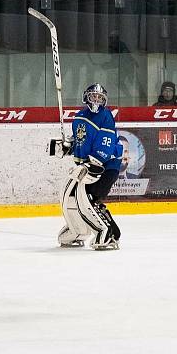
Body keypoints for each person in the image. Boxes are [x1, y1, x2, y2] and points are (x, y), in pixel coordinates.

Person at [53, 83, 122, 250]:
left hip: (106, 167)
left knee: (90, 198)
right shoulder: (79, 117)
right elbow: (81, 140)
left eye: (100, 98)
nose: (96, 100)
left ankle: (109, 233)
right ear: (86, 97)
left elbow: (106, 143)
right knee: (75, 198)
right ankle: (77, 231)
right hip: (86, 167)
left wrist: (95, 160)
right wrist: (68, 146)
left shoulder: (106, 117)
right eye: (93, 96)